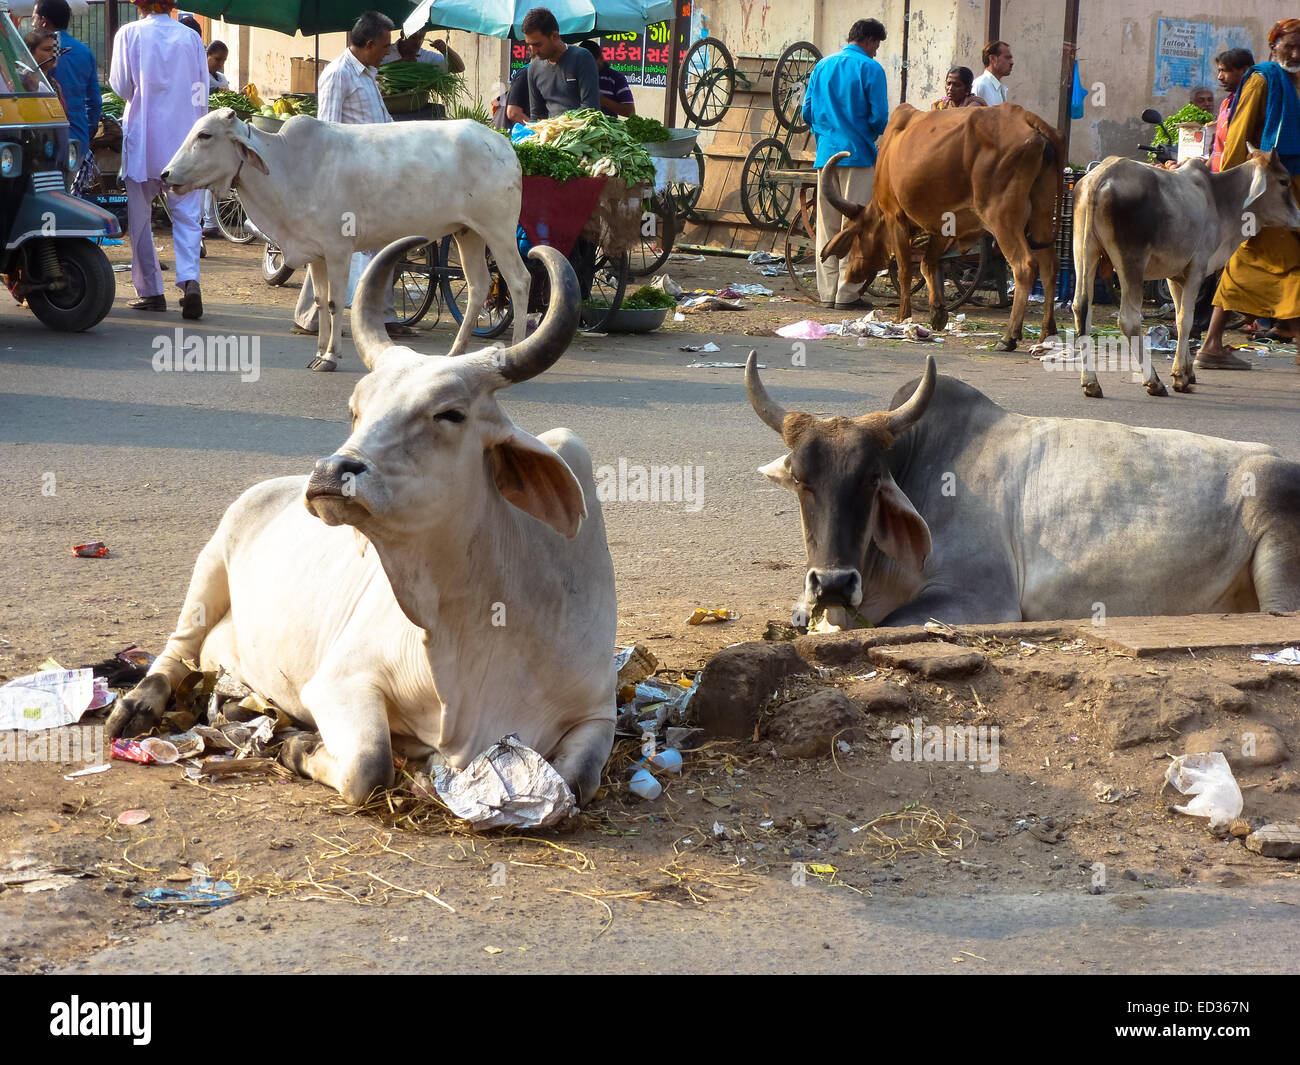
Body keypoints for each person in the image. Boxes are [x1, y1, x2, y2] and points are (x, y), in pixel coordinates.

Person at [294, 11, 409, 362]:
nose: (388, 53)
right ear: (369, 43)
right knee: (341, 249)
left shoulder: (368, 74)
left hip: (375, 174)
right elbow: (327, 132)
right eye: (385, 46)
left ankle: (368, 315)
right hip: (348, 179)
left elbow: (381, 123)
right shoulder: (338, 75)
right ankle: (335, 316)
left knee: (359, 247)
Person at [1196, 19, 1300, 370]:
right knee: (1283, 263)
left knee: (1248, 262)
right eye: (1290, 46)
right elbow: (1239, 137)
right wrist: (1228, 191)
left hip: (1293, 188)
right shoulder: (1263, 79)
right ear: (1274, 48)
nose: (1296, 53)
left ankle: (1211, 343)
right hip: (1268, 192)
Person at [110, 0, 207, 318]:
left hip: (144, 139)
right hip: (183, 141)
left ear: (139, 4)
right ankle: (190, 279)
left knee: (140, 219)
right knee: (187, 215)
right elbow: (201, 92)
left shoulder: (129, 34)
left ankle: (151, 292)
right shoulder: (191, 38)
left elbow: (121, 85)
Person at [802, 18, 889, 310]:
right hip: (860, 156)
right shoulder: (871, 68)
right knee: (856, 225)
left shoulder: (822, 66)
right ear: (870, 40)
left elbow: (806, 112)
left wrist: (825, 133)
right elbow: (879, 118)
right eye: (877, 44)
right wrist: (866, 133)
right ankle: (847, 294)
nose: (876, 51)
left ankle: (827, 294)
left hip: (825, 156)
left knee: (826, 227)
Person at [32, 0, 101, 177]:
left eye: (34, 17)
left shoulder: (35, 52)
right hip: (76, 139)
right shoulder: (84, 51)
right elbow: (94, 102)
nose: (32, 22)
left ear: (43, 21)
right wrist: (87, 131)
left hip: (42, 142)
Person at [521, 7, 599, 119]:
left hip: (583, 133)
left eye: (538, 45)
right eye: (529, 45)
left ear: (555, 36)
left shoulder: (582, 58)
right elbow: (537, 115)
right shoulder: (534, 68)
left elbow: (590, 107)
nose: (533, 51)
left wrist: (558, 127)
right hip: (550, 134)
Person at [578, 39, 635, 117]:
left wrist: (600, 99)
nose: (586, 68)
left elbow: (630, 112)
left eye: (590, 64)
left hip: (605, 127)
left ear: (601, 58)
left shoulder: (616, 78)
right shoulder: (575, 75)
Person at [381, 28, 464, 72]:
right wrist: (400, 64)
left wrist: (446, 50)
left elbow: (459, 68)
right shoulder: (385, 51)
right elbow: (370, 72)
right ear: (402, 34)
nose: (417, 42)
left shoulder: (426, 57)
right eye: (413, 38)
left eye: (421, 38)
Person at [971, 40, 1012, 105]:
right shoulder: (980, 85)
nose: (1011, 62)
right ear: (992, 59)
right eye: (1007, 58)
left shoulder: (1000, 88)